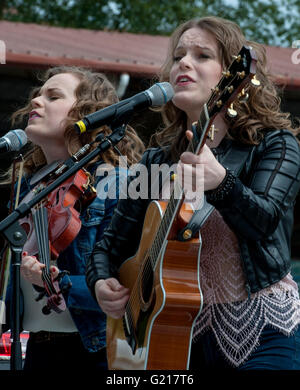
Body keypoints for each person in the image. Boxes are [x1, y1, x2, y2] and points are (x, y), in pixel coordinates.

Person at [86, 16, 300, 370]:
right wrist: (101, 283)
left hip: (265, 328)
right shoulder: (155, 161)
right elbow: (108, 247)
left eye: (202, 56)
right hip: (175, 335)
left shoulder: (274, 144)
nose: (183, 62)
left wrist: (223, 184)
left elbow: (264, 223)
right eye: (178, 56)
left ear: (234, 81)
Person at [2, 65, 144, 370]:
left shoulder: (114, 183)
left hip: (92, 352)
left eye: (53, 96)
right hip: (37, 348)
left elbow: (124, 288)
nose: (36, 102)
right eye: (37, 95)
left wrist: (58, 282)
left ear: (86, 114)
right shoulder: (26, 188)